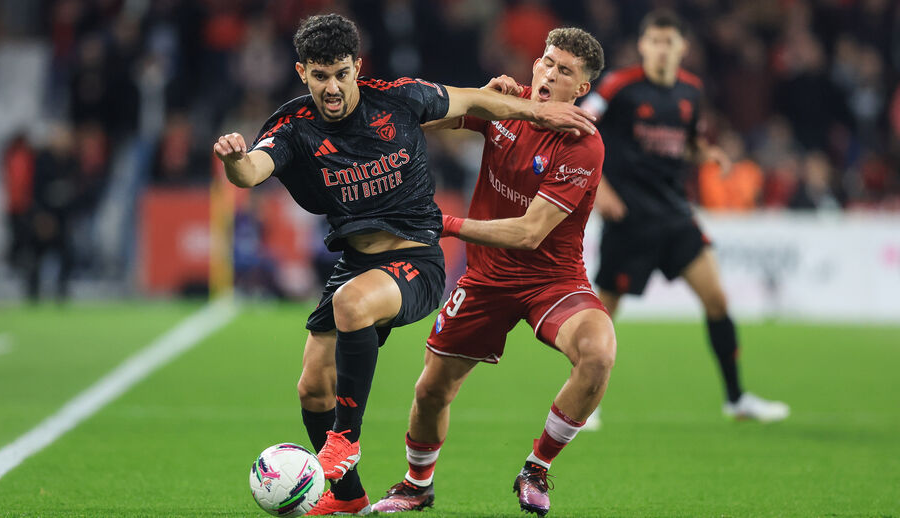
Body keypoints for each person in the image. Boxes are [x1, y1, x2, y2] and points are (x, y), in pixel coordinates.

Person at [211, 13, 596, 516]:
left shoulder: (396, 96)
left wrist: (537, 113)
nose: (332, 87)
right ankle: (349, 498)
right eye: (321, 76)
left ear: (357, 68)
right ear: (303, 72)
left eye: (342, 73)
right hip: (355, 261)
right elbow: (252, 172)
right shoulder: (292, 128)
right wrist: (234, 160)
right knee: (312, 385)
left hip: (416, 256)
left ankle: (344, 442)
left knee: (352, 305)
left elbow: (474, 100)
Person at [370, 28, 612, 517]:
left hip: (552, 280)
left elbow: (528, 233)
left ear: (581, 89)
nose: (549, 73)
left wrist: (446, 224)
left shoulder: (583, 145)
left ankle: (537, 467)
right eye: (546, 61)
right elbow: (432, 122)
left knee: (598, 351)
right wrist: (479, 98)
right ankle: (417, 485)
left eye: (565, 71)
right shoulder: (511, 106)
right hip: (486, 280)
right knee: (431, 389)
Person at [580, 9, 789, 424]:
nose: (660, 49)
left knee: (717, 299)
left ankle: (736, 398)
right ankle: (584, 405)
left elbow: (688, 143)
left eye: (668, 42)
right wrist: (598, 187)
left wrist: (706, 154)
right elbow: (580, 127)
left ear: (682, 48)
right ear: (642, 46)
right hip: (629, 218)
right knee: (603, 312)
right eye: (653, 41)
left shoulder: (691, 91)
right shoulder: (618, 86)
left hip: (675, 215)